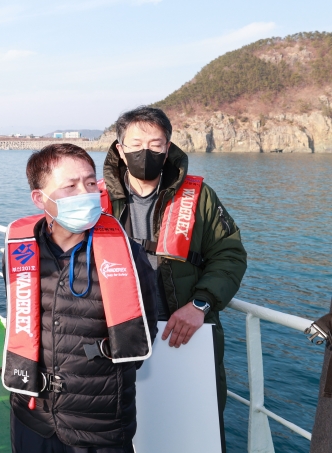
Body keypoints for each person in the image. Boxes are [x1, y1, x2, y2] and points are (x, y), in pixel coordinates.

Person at [100, 106, 248, 447]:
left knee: (193, 429)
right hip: (115, 337)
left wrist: (201, 303)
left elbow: (230, 253)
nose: (145, 152)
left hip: (182, 332)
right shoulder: (95, 199)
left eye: (155, 144)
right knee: (116, 430)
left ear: (168, 148)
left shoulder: (200, 197)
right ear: (120, 149)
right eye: (135, 144)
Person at [2, 144, 158, 453]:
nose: (85, 193)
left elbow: (144, 332)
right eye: (70, 186)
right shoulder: (20, 250)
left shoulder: (127, 254)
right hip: (33, 418)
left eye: (89, 182)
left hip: (101, 426)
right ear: (40, 199)